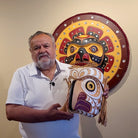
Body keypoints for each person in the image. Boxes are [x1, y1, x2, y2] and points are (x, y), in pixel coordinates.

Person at [6, 31, 109, 138]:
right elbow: (11, 112)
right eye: (36, 48)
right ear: (30, 51)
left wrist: (100, 90)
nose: (42, 50)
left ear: (54, 48)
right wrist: (46, 116)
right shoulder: (21, 74)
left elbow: (88, 97)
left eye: (46, 46)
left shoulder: (74, 72)